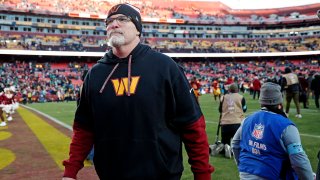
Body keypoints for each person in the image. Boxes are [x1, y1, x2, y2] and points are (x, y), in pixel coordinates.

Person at [62, 3, 214, 180]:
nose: (114, 24)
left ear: (138, 29)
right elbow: (84, 129)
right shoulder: (94, 75)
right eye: (109, 21)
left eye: (122, 19)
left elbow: (192, 126)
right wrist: (71, 171)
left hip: (161, 175)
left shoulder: (165, 67)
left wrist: (202, 174)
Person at [231, 82, 314, 180]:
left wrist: (242, 166)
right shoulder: (286, 126)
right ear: (280, 103)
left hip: (246, 174)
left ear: (261, 101)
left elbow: (235, 144)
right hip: (273, 175)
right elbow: (299, 160)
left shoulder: (247, 120)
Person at [218, 83, 247, 158]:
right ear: (237, 89)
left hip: (225, 122)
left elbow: (220, 110)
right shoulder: (241, 97)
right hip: (237, 122)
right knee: (238, 141)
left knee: (225, 141)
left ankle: (226, 148)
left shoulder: (223, 97)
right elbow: (244, 109)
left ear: (229, 90)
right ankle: (234, 150)